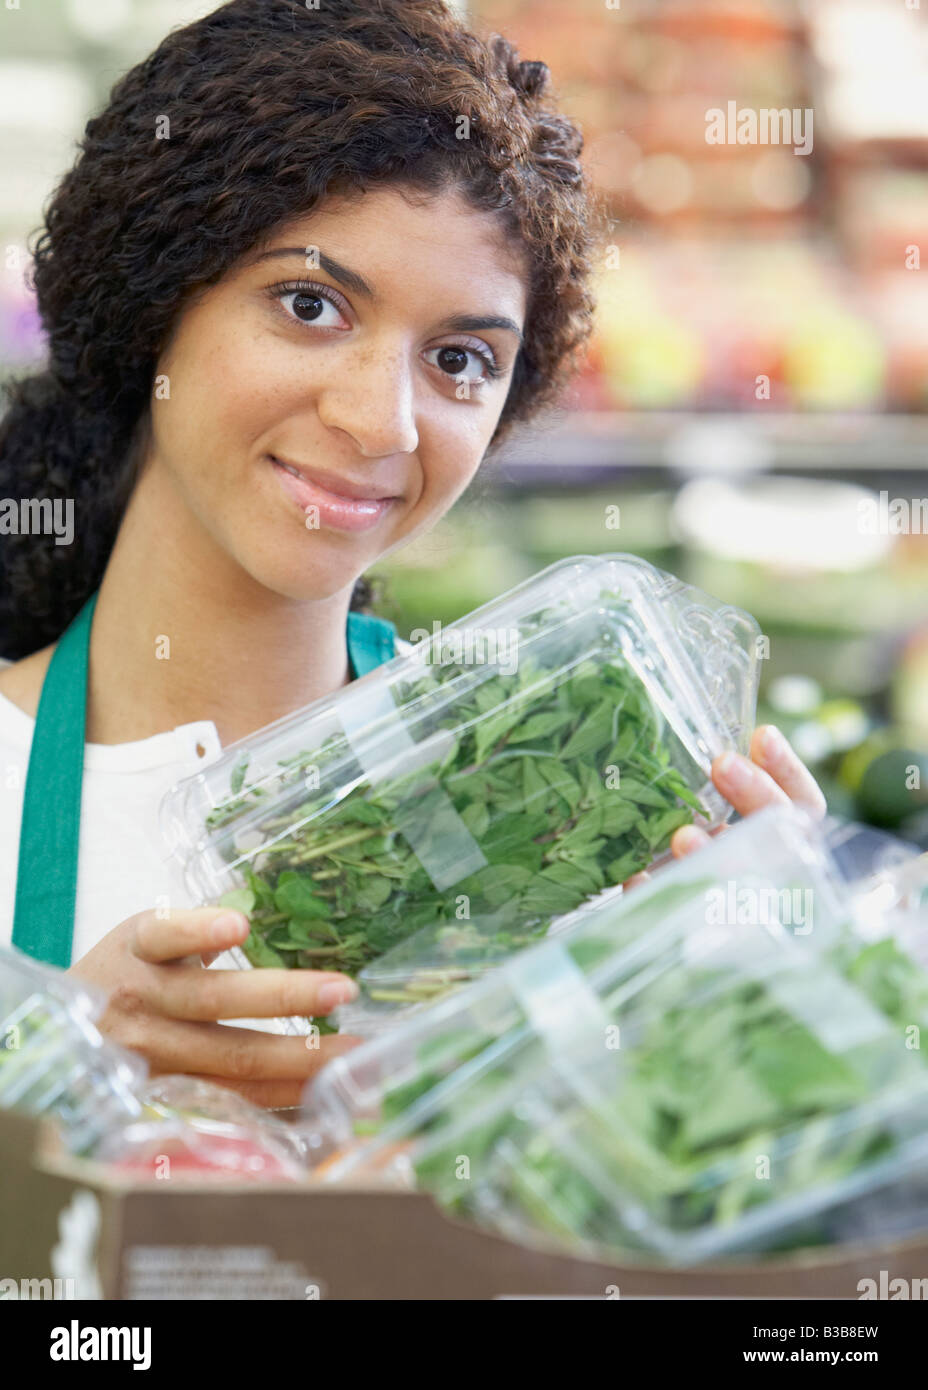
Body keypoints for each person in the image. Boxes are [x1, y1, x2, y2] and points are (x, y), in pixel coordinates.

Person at [0, 0, 825, 1109]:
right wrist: (51, 1067)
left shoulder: (586, 824)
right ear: (152, 308)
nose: (383, 423)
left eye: (459, 359)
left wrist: (759, 1019)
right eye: (310, 304)